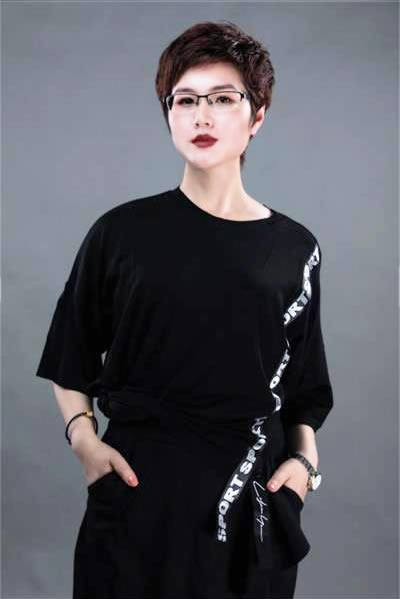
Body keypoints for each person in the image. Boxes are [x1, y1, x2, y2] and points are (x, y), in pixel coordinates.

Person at [35, 20, 334, 599]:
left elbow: (304, 388)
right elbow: (70, 353)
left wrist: (303, 469)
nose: (202, 116)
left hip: (249, 507)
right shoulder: (121, 233)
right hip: (137, 498)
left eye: (222, 99)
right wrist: (84, 443)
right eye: (186, 100)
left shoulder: (296, 249)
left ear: (258, 115)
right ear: (168, 113)